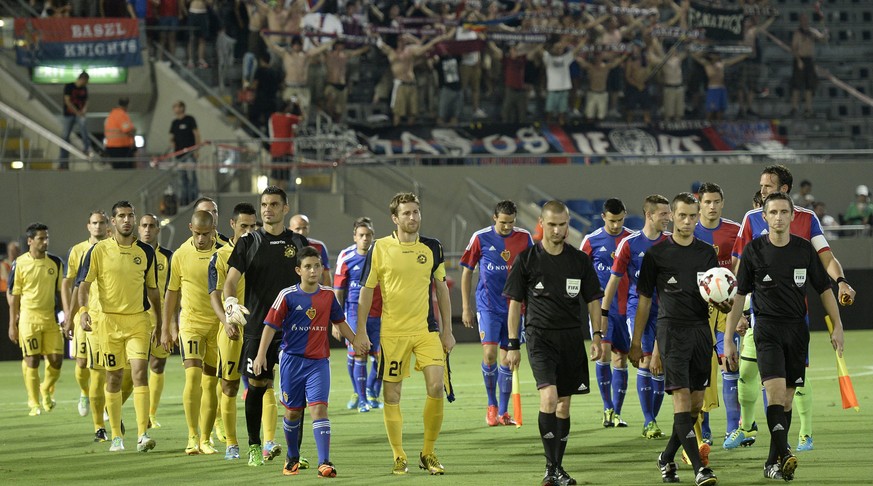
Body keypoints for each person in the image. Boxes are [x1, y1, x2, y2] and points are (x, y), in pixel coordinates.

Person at [729, 164, 855, 452]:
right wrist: (741, 309)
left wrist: (842, 282)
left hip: (794, 316)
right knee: (749, 374)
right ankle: (747, 429)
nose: (761, 191)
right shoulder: (751, 219)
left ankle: (803, 434)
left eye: (767, 186)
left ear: (784, 189)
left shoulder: (807, 219)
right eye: (760, 186)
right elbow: (740, 269)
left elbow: (827, 257)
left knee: (793, 381)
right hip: (758, 314)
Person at [503, 200, 603, 486]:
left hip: (571, 338)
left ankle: (557, 468)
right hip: (539, 337)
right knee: (548, 398)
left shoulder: (579, 260)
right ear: (542, 224)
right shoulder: (527, 259)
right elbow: (515, 304)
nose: (558, 230)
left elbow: (594, 300)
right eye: (552, 225)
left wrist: (597, 335)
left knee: (563, 406)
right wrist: (512, 344)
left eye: (563, 225)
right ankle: (551, 468)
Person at [354, 192, 454, 475]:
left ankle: (429, 452)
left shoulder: (433, 247)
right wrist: (361, 330)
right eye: (407, 213)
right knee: (392, 394)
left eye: (416, 212)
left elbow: (442, 289)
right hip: (393, 334)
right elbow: (366, 291)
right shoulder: (380, 248)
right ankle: (399, 455)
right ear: (394, 218)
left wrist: (448, 331)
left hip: (426, 331)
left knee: (436, 386)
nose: (413, 217)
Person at [630, 192, 725, 486]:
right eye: (682, 215)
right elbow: (645, 301)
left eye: (692, 216)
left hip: (700, 331)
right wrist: (637, 343)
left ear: (698, 217)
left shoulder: (707, 252)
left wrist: (725, 303)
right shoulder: (656, 255)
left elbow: (716, 292)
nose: (687, 221)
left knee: (695, 405)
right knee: (682, 401)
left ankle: (666, 457)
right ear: (672, 216)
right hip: (671, 331)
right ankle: (700, 469)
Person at [254, 246, 362, 477]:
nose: (313, 271)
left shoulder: (328, 295)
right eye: (308, 267)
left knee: (319, 410)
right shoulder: (287, 295)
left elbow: (339, 322)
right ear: (298, 270)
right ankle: (292, 456)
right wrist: (261, 355)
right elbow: (270, 326)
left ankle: (325, 462)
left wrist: (355, 340)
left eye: (317, 266)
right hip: (291, 362)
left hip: (318, 363)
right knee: (292, 413)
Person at [223, 186, 309, 466]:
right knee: (257, 385)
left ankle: (294, 453)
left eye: (274, 204)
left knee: (296, 391)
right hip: (258, 326)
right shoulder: (248, 242)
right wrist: (231, 303)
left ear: (285, 208)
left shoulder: (297, 242)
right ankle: (253, 446)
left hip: (294, 329)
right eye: (264, 204)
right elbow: (230, 281)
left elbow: (311, 281)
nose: (267, 209)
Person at [79, 201, 162, 453]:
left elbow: (153, 289)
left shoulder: (146, 251)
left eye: (130, 216)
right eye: (121, 216)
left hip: (138, 320)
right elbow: (83, 284)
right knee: (113, 377)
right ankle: (116, 436)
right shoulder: (98, 251)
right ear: (112, 222)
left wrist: (160, 321)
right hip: (108, 321)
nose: (127, 220)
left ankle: (142, 435)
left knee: (139, 373)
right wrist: (83, 311)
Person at [600, 195, 671, 439]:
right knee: (644, 360)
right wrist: (603, 314)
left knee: (660, 370)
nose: (668, 218)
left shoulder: (671, 243)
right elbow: (613, 281)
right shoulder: (629, 244)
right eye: (664, 214)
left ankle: (651, 419)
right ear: (649, 215)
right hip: (637, 310)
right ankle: (649, 421)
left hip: (667, 312)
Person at [460, 200, 534, 427]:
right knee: (490, 355)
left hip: (515, 307)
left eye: (511, 222)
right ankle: (491, 405)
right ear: (494, 218)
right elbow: (466, 273)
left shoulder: (525, 238)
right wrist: (466, 307)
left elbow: (533, 272)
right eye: (503, 222)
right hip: (488, 306)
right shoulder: (480, 238)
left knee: (508, 360)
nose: (507, 227)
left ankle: (503, 412)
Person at [162, 210, 222, 455]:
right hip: (191, 323)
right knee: (193, 377)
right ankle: (191, 436)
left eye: (205, 234)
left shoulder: (224, 251)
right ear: (190, 228)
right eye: (197, 233)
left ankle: (206, 439)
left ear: (213, 229)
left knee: (211, 383)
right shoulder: (180, 255)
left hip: (218, 325)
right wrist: (167, 326)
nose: (200, 239)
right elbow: (172, 292)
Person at [207, 202, 258, 461]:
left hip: (259, 328)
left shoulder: (262, 250)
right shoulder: (221, 256)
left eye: (252, 226)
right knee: (229, 385)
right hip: (232, 329)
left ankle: (267, 442)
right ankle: (232, 443)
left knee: (265, 384)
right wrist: (227, 320)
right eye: (243, 226)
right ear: (233, 225)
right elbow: (214, 293)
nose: (248, 231)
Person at [692, 183, 741, 453]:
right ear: (700, 203)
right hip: (698, 311)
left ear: (722, 202)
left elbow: (742, 271)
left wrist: (742, 311)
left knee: (729, 363)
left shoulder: (734, 231)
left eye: (716, 201)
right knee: (701, 370)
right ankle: (705, 432)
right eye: (707, 201)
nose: (712, 206)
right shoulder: (689, 230)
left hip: (727, 308)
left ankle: (733, 428)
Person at [580, 198, 632, 428]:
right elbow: (579, 269)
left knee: (621, 359)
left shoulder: (632, 239)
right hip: (602, 310)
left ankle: (617, 412)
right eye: (611, 221)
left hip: (627, 309)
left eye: (620, 220)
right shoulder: (591, 241)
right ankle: (607, 407)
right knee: (604, 353)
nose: (615, 225)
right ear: (603, 217)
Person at [7, 223, 65, 416]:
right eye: (41, 238)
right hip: (28, 319)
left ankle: (46, 388)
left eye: (46, 237)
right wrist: (12, 324)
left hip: (50, 318)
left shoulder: (55, 263)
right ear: (30, 241)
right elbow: (14, 295)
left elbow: (61, 292)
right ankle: (34, 403)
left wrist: (67, 316)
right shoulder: (20, 263)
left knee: (56, 360)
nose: (45, 241)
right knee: (32, 360)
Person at [61, 212, 109, 421]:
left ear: (108, 225)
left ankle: (105, 403)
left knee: (107, 365)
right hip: (83, 313)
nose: (98, 226)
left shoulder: (112, 248)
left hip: (106, 315)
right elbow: (70, 284)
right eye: (94, 223)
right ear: (88, 226)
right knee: (81, 362)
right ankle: (84, 393)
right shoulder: (77, 250)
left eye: (101, 222)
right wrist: (69, 314)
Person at [333, 217, 384, 413]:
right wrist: (337, 321)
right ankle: (361, 397)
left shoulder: (381, 255)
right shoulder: (346, 257)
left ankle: (371, 392)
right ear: (355, 237)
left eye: (368, 235)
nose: (365, 238)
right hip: (354, 312)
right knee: (359, 353)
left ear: (373, 236)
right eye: (361, 235)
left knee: (381, 357)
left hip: (379, 314)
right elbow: (338, 290)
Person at [137, 214, 173, 430]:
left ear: (158, 229)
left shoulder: (168, 257)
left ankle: (150, 414)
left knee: (157, 364)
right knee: (135, 368)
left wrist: (170, 322)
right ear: (138, 229)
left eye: (152, 226)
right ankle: (112, 405)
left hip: (160, 318)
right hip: (136, 317)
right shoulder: (132, 253)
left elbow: (173, 290)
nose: (148, 229)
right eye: (144, 226)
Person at [377, 32, 453, 126]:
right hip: (400, 85)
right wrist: (375, 35)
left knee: (413, 113)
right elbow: (379, 43)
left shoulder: (410, 50)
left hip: (412, 84)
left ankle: (410, 132)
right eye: (400, 40)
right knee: (397, 113)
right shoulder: (391, 52)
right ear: (396, 41)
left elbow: (424, 48)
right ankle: (396, 132)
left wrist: (435, 40)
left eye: (404, 40)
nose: (403, 42)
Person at [691, 50, 748, 121]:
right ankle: (707, 125)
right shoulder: (707, 64)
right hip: (713, 89)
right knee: (710, 110)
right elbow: (696, 57)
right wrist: (698, 53)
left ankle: (719, 126)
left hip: (722, 89)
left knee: (720, 110)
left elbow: (732, 61)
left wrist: (744, 55)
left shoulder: (722, 63)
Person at [323, 39, 369, 122]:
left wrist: (368, 41)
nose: (341, 47)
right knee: (330, 103)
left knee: (340, 110)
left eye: (342, 45)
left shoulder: (346, 55)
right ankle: (329, 121)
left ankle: (336, 125)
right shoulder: (329, 54)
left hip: (342, 86)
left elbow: (360, 51)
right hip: (332, 84)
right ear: (336, 45)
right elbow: (319, 46)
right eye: (339, 45)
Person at [790, 14, 827, 117]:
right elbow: (793, 48)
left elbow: (823, 39)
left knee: (809, 86)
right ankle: (794, 108)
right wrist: (798, 60)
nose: (805, 21)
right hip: (800, 59)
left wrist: (825, 33)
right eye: (803, 19)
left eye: (806, 19)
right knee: (796, 85)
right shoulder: (797, 33)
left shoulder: (812, 31)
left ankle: (808, 109)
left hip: (809, 60)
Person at [169, 101, 202, 206]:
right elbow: (171, 137)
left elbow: (196, 134)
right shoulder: (174, 123)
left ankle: (194, 197)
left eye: (176, 107)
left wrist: (196, 149)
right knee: (182, 177)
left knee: (192, 175)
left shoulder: (189, 119)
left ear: (182, 108)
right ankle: (185, 199)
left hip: (190, 153)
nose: (174, 109)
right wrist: (172, 145)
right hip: (179, 154)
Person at [60, 71, 91, 168]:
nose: (86, 84)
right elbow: (67, 101)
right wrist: (77, 112)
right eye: (86, 81)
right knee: (65, 136)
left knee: (84, 129)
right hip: (69, 114)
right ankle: (63, 161)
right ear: (82, 79)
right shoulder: (69, 86)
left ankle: (86, 148)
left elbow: (86, 101)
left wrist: (83, 111)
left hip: (79, 114)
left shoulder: (84, 89)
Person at [288, 214, 331, 285]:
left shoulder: (319, 246)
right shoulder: (284, 246)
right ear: (290, 229)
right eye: (297, 229)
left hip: (314, 291)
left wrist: (327, 294)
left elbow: (326, 274)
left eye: (304, 228)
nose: (301, 232)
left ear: (309, 228)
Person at [104, 97, 136, 169]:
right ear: (128, 105)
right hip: (121, 147)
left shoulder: (112, 114)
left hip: (111, 146)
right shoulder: (122, 115)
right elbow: (127, 130)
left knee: (117, 169)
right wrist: (134, 131)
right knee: (125, 169)